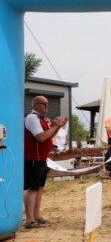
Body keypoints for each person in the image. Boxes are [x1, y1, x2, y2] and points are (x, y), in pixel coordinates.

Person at [24, 96, 68, 229]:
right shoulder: (32, 118)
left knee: (39, 189)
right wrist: (56, 126)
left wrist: (57, 127)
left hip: (41, 159)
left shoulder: (40, 119)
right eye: (44, 104)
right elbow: (41, 137)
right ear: (36, 105)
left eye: (47, 104)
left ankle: (36, 215)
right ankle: (30, 219)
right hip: (33, 159)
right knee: (32, 189)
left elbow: (49, 135)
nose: (47, 106)